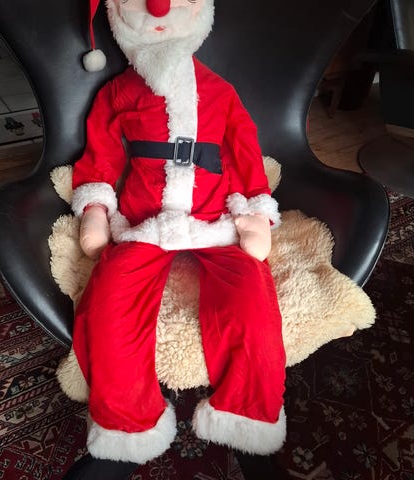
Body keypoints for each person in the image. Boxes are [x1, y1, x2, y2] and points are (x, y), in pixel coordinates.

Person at [71, 0, 286, 463]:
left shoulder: (220, 91)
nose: (158, 8)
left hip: (215, 219)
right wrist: (95, 207)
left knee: (251, 296)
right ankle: (126, 424)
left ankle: (247, 412)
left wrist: (255, 209)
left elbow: (244, 148)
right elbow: (101, 153)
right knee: (108, 302)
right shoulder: (118, 92)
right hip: (145, 221)